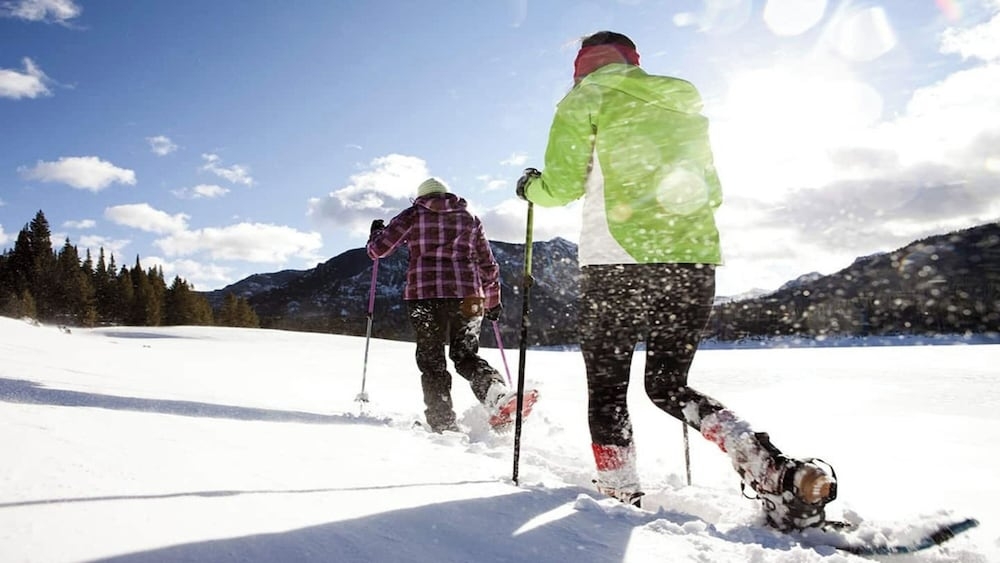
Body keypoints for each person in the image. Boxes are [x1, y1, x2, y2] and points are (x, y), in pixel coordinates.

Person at [515, 30, 837, 530]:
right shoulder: (682, 103)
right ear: (633, 61)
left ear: (582, 66)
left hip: (616, 264)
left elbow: (560, 185)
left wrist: (530, 187)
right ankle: (772, 469)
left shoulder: (585, 100)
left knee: (607, 389)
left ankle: (618, 495)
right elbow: (712, 192)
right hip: (691, 262)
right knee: (667, 384)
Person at [367, 177, 523, 433]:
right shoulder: (470, 218)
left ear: (420, 197)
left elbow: (378, 250)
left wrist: (376, 233)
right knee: (466, 355)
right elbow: (487, 264)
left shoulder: (412, 215)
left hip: (425, 296)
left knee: (432, 361)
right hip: (470, 297)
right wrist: (493, 300)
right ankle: (495, 392)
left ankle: (443, 423)